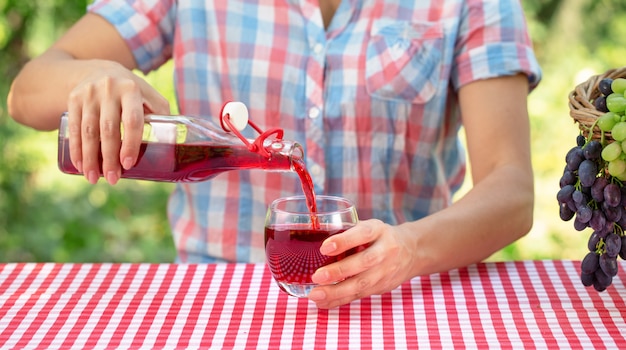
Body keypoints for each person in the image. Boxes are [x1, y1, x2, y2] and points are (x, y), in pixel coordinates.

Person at [7, 0, 541, 309]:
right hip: (221, 300)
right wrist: (95, 74)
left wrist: (408, 247)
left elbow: (511, 188)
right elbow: (27, 92)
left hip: (399, 299)